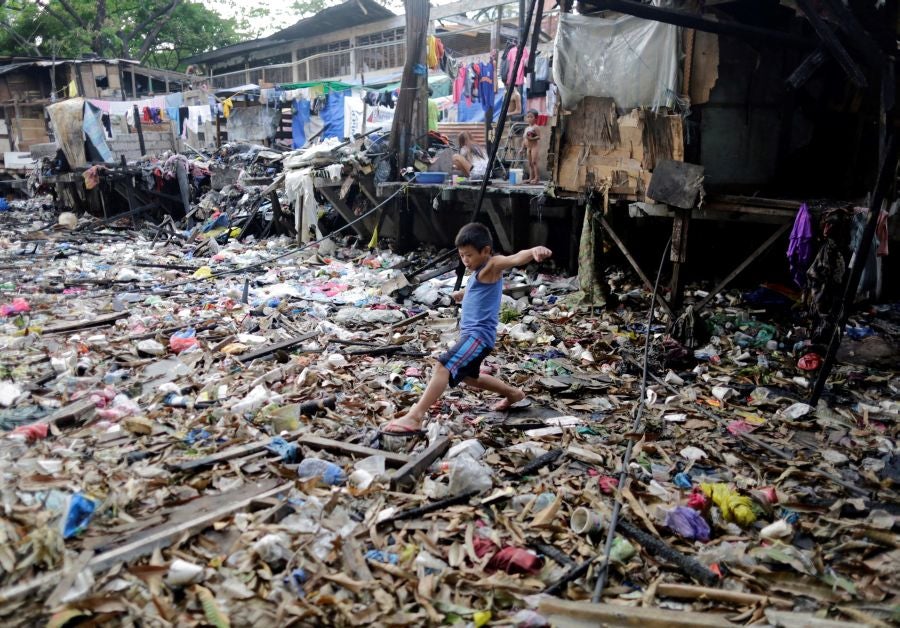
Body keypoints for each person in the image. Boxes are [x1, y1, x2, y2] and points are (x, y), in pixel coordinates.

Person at [381, 223, 553, 435]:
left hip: (478, 337)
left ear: (486, 251)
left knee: (443, 367)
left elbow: (514, 258)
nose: (465, 260)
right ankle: (513, 394)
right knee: (470, 378)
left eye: (469, 255)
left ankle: (415, 416)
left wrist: (534, 251)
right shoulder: (478, 273)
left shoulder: (492, 265)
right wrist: (459, 295)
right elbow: (477, 291)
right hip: (473, 336)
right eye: (462, 256)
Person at [523, 109, 541, 184]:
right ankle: (531, 177)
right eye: (528, 117)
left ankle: (536, 178)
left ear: (535, 118)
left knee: (534, 162)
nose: (529, 119)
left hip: (534, 147)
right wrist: (522, 148)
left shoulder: (536, 127)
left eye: (531, 117)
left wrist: (532, 138)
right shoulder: (526, 128)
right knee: (530, 163)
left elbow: (539, 137)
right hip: (528, 148)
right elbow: (524, 139)